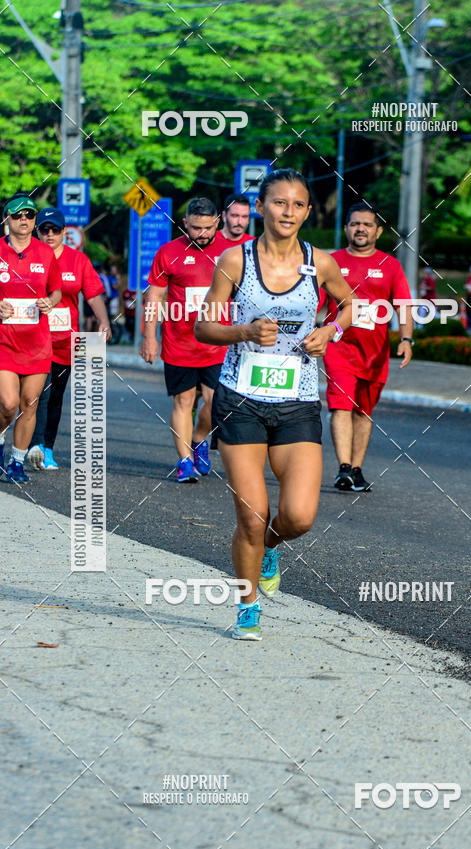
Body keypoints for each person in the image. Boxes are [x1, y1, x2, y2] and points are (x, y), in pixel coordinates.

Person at [194, 168, 354, 641]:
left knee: (299, 516)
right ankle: (247, 607)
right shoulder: (234, 260)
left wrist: (330, 331)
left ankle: (268, 549)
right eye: (279, 202)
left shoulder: (319, 264)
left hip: (297, 402)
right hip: (239, 398)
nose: (288, 211)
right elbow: (203, 327)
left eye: (298, 204)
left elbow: (349, 305)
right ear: (261, 206)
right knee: (251, 513)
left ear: (307, 211)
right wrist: (243, 331)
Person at [321, 203, 413, 493]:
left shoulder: (390, 265)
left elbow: (404, 306)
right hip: (338, 347)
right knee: (341, 406)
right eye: (355, 223)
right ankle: (343, 468)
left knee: (364, 411)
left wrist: (407, 339)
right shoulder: (331, 262)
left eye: (367, 224)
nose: (360, 228)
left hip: (374, 353)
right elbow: (316, 305)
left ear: (378, 230)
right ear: (346, 228)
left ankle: (356, 470)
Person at [141, 197, 225, 482]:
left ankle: (199, 438)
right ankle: (184, 461)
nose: (201, 234)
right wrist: (149, 336)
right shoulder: (169, 252)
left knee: (216, 402)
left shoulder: (231, 252)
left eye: (207, 228)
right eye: (195, 228)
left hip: (218, 344)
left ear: (217, 222)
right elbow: (154, 296)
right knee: (183, 400)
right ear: (185, 223)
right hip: (179, 343)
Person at [27, 207, 111, 471]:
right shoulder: (28, 257)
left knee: (55, 395)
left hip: (66, 340)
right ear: (36, 231)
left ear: (65, 232)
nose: (50, 234)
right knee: (36, 392)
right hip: (33, 337)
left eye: (55, 229)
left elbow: (94, 293)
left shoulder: (78, 260)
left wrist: (104, 321)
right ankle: (33, 445)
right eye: (44, 229)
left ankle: (47, 447)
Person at [0, 192, 61, 483]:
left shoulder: (46, 253)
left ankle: (16, 461)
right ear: (7, 219)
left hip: (36, 343)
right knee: (8, 403)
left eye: (29, 215)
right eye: (17, 215)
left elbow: (56, 290)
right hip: (4, 340)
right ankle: (1, 435)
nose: (24, 220)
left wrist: (51, 301)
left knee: (29, 402)